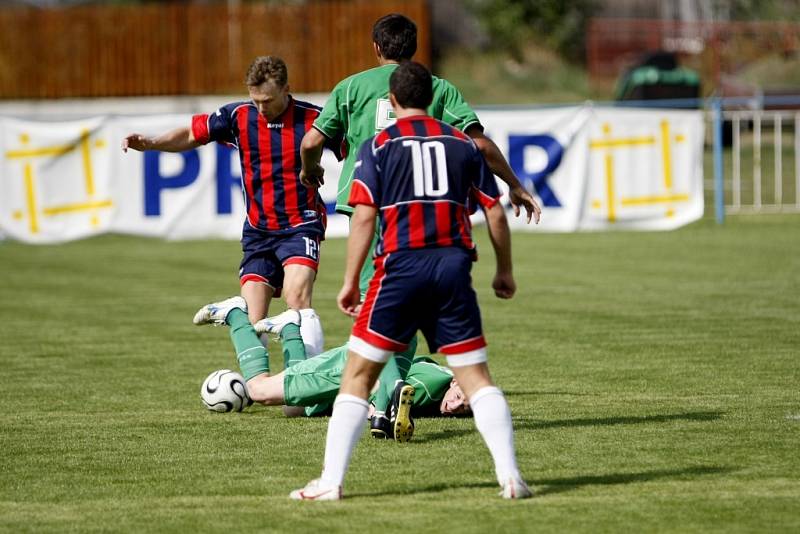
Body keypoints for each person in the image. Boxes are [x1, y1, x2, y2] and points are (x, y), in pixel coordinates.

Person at [290, 62, 532, 501]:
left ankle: (330, 483)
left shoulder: (378, 147)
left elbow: (364, 216)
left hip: (398, 271)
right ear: (433, 100)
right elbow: (494, 211)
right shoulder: (463, 145)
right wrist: (504, 270)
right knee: (477, 379)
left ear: (393, 101)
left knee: (358, 377)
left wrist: (348, 280)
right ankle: (511, 477)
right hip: (453, 270)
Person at [122, 56, 341, 401]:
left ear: (286, 89)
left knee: (297, 300)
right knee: (255, 322)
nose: (261, 108)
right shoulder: (239, 117)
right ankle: (259, 387)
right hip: (258, 231)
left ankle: (307, 389)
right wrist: (151, 143)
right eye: (255, 101)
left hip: (301, 226)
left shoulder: (314, 119)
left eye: (268, 101)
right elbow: (192, 134)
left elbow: (354, 149)